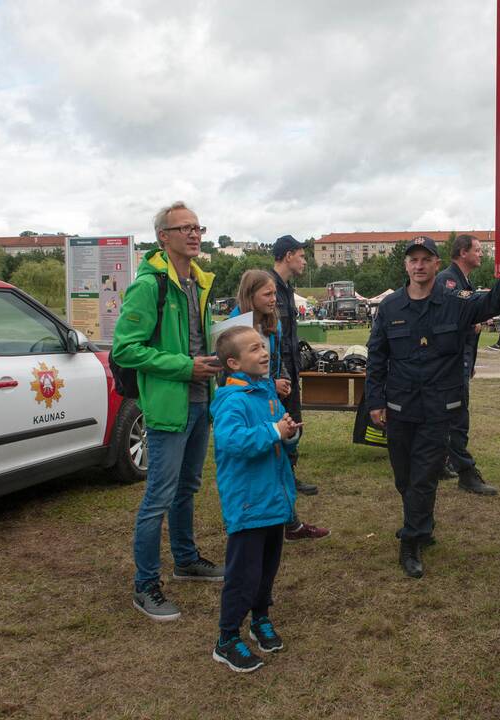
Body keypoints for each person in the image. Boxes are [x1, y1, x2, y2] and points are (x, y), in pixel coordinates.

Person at [366, 236, 500, 578]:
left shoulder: (457, 302)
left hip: (437, 407)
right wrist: (375, 401)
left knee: (424, 475)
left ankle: (411, 539)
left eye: (425, 259)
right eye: (413, 260)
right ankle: (422, 522)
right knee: (404, 477)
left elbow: (495, 301)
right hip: (400, 405)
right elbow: (377, 356)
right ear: (406, 266)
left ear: (437, 264)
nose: (419, 266)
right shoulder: (390, 308)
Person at [113, 201, 225, 622]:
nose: (195, 235)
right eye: (185, 228)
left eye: (198, 227)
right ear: (164, 236)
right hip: (167, 406)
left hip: (200, 401)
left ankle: (186, 560)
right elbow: (125, 348)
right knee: (158, 496)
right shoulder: (150, 284)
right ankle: (145, 585)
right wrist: (185, 366)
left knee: (187, 488)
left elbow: (195, 341)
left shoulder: (198, 281)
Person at [210, 325, 300, 672]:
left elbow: (278, 431)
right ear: (233, 363)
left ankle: (260, 618)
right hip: (248, 505)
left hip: (273, 502)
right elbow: (234, 442)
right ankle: (227, 637)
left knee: (266, 570)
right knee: (243, 575)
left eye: (262, 346)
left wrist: (287, 433)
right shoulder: (232, 401)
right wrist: (273, 431)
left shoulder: (266, 393)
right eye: (253, 349)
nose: (263, 353)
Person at [230, 270, 329, 541]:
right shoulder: (235, 327)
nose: (275, 299)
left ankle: (289, 524)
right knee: (262, 463)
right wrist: (269, 384)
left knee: (282, 460)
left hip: (271, 401)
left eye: (275, 293)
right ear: (251, 296)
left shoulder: (273, 322)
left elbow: (278, 358)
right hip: (250, 404)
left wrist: (282, 378)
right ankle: (264, 527)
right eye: (268, 294)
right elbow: (230, 374)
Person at [435, 234, 497, 496]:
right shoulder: (448, 280)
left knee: (446, 416)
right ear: (462, 253)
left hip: (461, 358)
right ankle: (465, 472)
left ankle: (438, 463)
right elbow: (451, 316)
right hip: (450, 360)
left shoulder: (464, 281)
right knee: (457, 417)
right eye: (478, 250)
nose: (482, 254)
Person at [271, 235, 319, 496]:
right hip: (275, 374)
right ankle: (280, 479)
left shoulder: (287, 289)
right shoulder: (267, 286)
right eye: (301, 256)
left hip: (289, 369)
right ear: (288, 255)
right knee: (279, 424)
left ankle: (288, 476)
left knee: (293, 423)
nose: (304, 261)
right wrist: (273, 377)